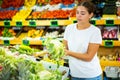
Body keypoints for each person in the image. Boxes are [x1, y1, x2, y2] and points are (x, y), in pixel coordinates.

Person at [63, 1, 102, 80]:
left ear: (90, 15)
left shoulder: (95, 31)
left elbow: (89, 57)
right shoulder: (69, 28)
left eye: (83, 13)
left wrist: (69, 53)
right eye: (77, 13)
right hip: (74, 74)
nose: (79, 16)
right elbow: (63, 48)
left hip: (91, 75)